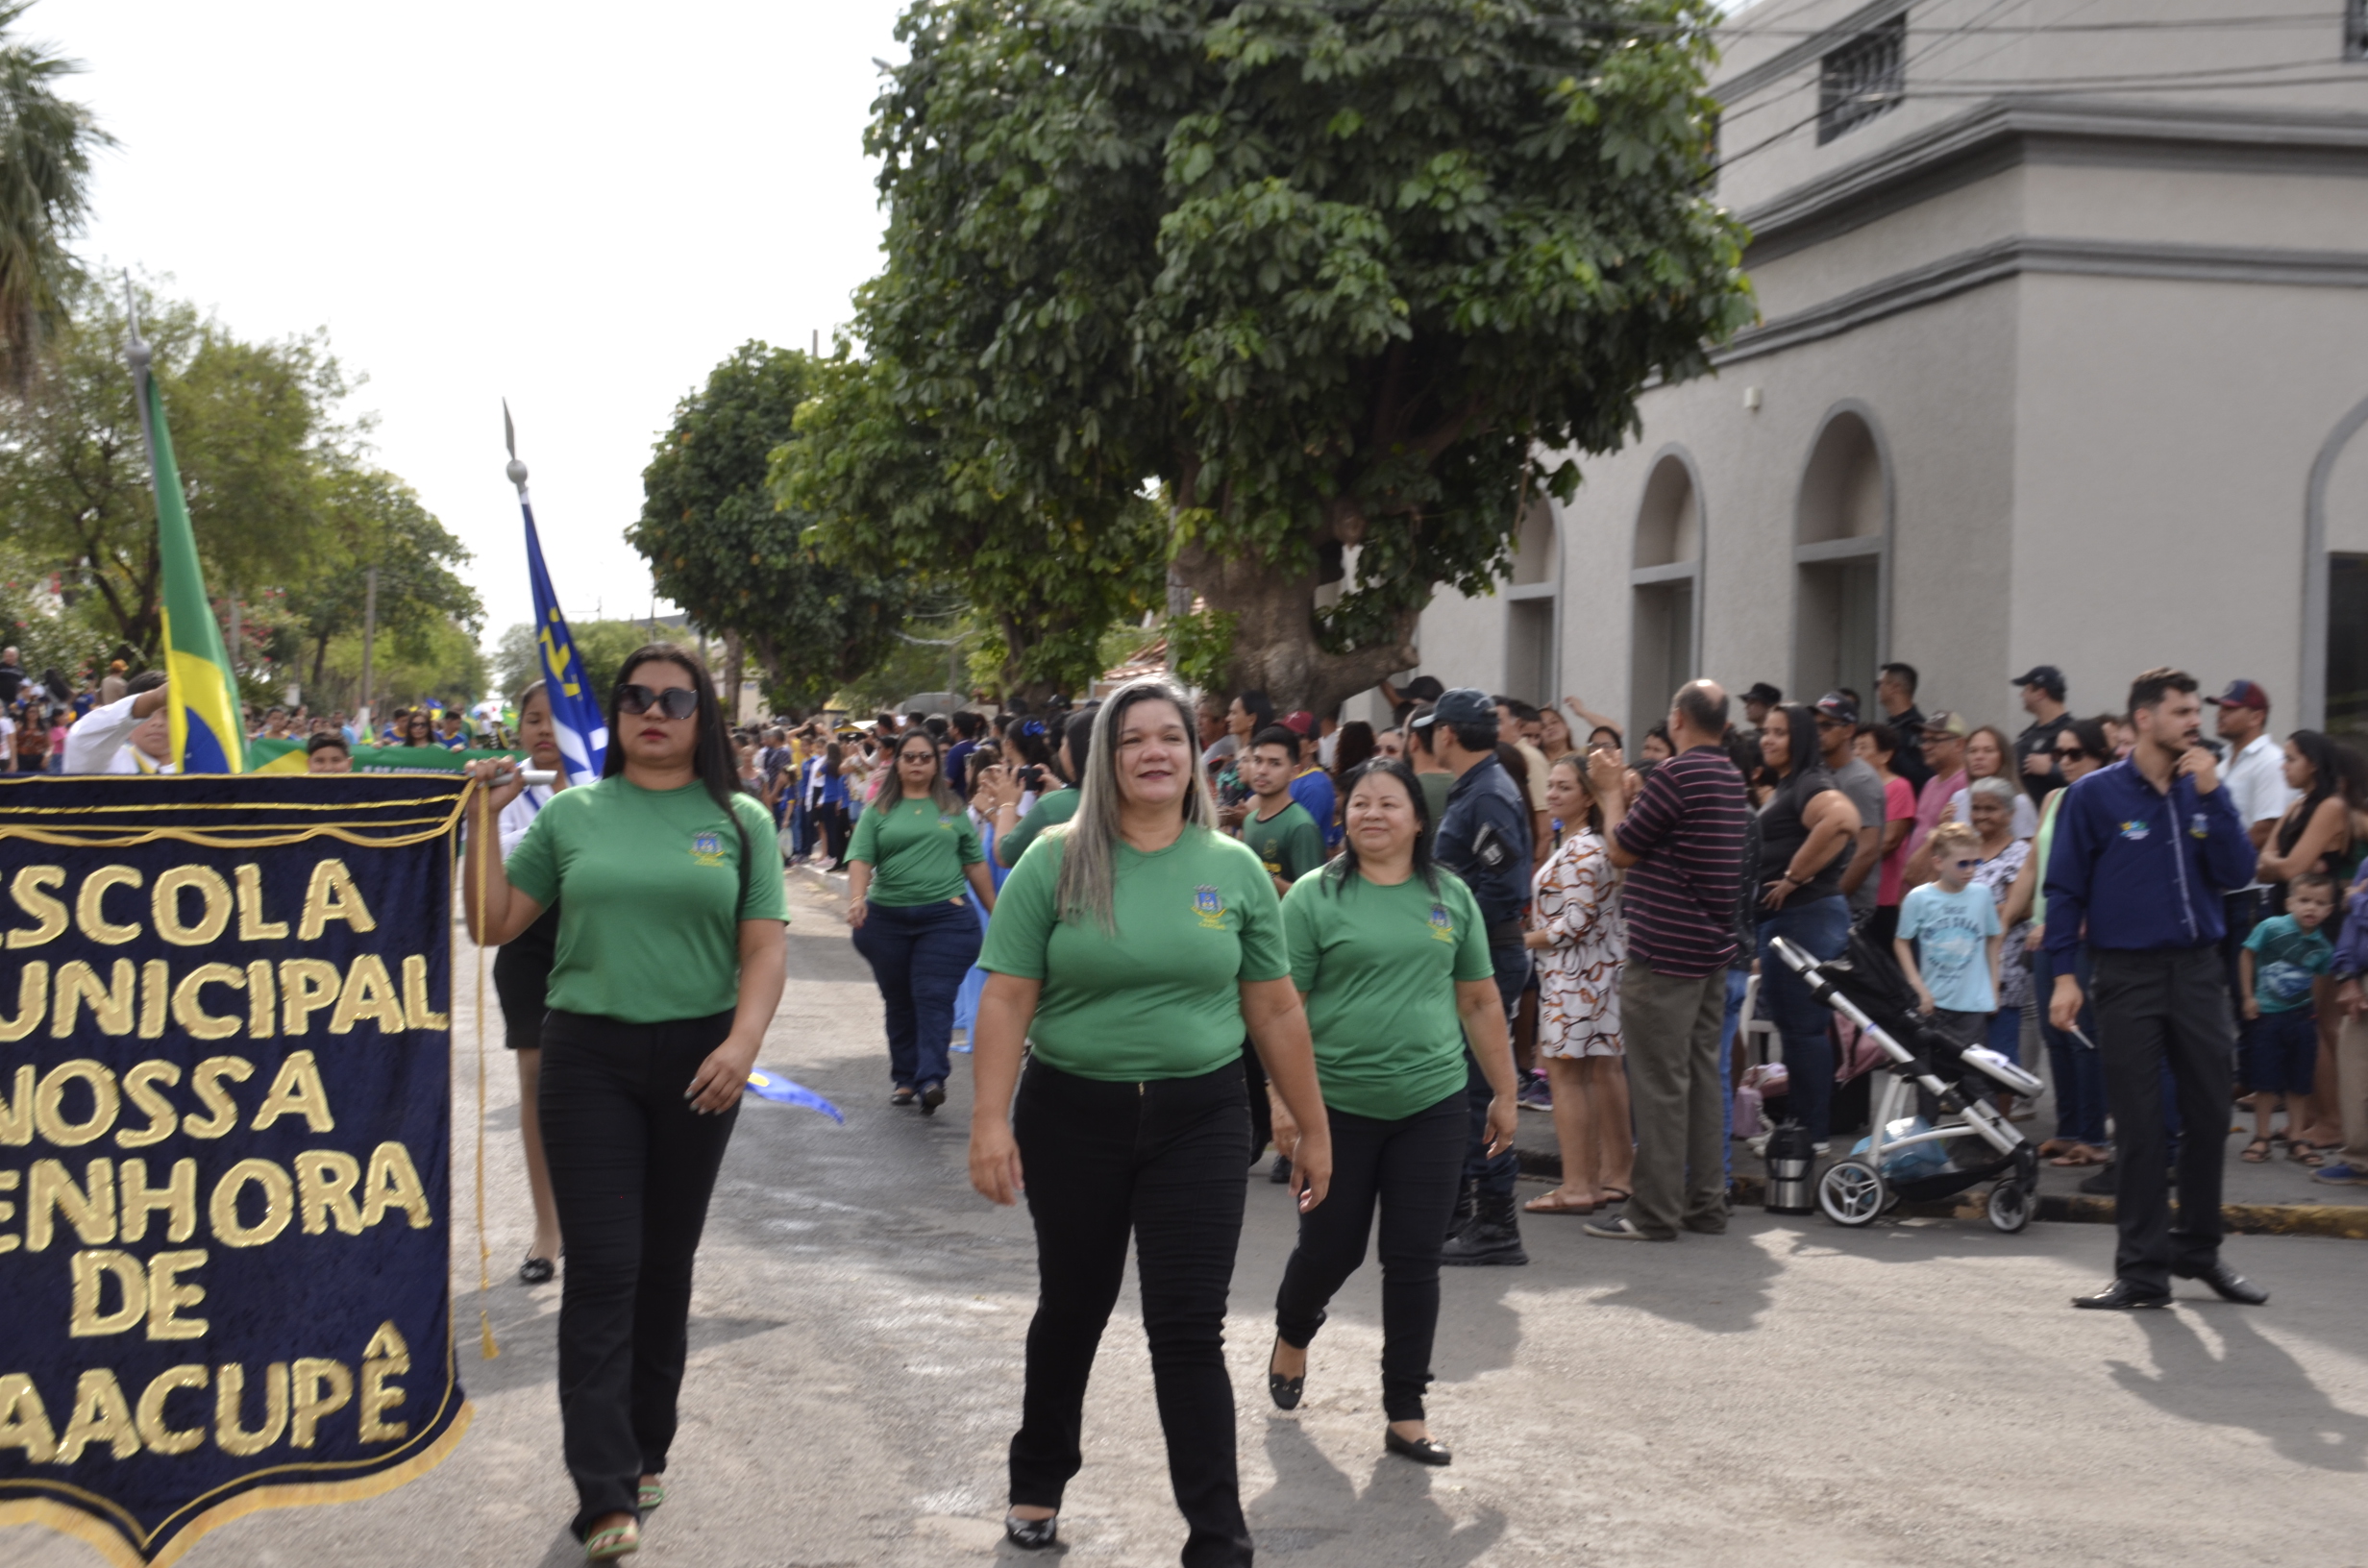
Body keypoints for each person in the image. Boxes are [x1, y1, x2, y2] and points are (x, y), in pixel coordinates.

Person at [969, 678, 1331, 1562]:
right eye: (1134, 740)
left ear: (1193, 754)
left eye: (1170, 736)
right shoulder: (1054, 860)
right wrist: (989, 1120)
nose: (1155, 753)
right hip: (1069, 1113)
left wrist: (1311, 1124)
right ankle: (1038, 1481)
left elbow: (1276, 1011)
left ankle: (1217, 1536)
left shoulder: (1233, 867)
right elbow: (1009, 997)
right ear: (1108, 757)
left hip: (1200, 1117)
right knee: (1074, 1307)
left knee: (1187, 1327)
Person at [461, 645, 790, 1556]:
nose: (655, 710)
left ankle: (649, 1451)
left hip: (702, 1062)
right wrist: (482, 826)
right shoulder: (572, 814)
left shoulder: (742, 820)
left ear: (702, 718)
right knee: (606, 1266)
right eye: (637, 698)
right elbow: (491, 924)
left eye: (675, 699)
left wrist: (742, 1044)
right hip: (588, 1059)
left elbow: (763, 949)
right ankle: (602, 1491)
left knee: (665, 1268)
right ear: (618, 714)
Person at [1267, 757, 1513, 1468]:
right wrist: (1282, 1102)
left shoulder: (1451, 897)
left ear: (1416, 818)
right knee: (1331, 1249)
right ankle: (1293, 1330)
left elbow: (1478, 999)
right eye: (1360, 803)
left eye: (1389, 803)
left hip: (1431, 1106)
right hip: (1333, 1109)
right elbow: (1283, 1009)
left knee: (1413, 1261)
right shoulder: (1314, 898)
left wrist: (1500, 1090)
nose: (1373, 814)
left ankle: (1405, 1410)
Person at [2045, 667, 2267, 1311]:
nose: (2194, 722)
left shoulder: (2204, 789)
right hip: (2126, 976)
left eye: (2196, 712)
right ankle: (2142, 1273)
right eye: (2182, 712)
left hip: (2199, 970)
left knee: (2208, 1116)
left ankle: (2199, 1253)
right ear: (2144, 718)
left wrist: (2215, 795)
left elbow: (2236, 872)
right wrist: (2064, 974)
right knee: (2141, 1129)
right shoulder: (2094, 797)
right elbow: (2064, 891)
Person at [1582, 680, 1747, 1241]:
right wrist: (1631, 795)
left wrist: (1609, 793)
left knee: (1659, 1085)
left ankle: (1653, 1211)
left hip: (1665, 951)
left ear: (1677, 719)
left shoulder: (1677, 775)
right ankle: (1704, 1203)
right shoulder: (1729, 775)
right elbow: (1664, 838)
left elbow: (1623, 848)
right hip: (1710, 947)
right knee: (1703, 1079)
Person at [1414, 689, 1534, 1265]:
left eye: (1435, 727)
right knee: (1464, 1092)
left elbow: (1505, 888)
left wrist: (1453, 939)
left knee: (1480, 1094)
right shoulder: (1477, 788)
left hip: (1485, 958)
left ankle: (1495, 1222)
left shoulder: (1487, 794)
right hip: (1477, 956)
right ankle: (1461, 1212)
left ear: (1449, 734)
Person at [847, 726, 997, 1114]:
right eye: (909, 756)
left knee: (933, 997)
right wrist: (857, 899)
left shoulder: (952, 811)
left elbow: (974, 863)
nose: (916, 763)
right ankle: (904, 1079)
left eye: (924, 757)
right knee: (899, 1000)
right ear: (897, 763)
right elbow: (861, 859)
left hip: (945, 920)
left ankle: (932, 1078)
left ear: (936, 764)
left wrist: (997, 909)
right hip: (886, 921)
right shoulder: (878, 810)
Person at [1745, 703, 1860, 1153]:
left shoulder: (1811, 780)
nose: (1767, 740)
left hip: (1804, 918)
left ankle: (1810, 1134)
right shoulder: (1791, 784)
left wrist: (1794, 876)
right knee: (1797, 1030)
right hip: (1792, 919)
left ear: (1802, 739)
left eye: (1779, 732)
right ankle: (1802, 1126)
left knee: (1803, 1029)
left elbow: (1843, 821)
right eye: (1765, 732)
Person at [1523, 752, 1633, 1214]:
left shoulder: (1581, 848)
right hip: (1596, 974)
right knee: (1599, 1073)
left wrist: (1518, 941)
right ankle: (1610, 1177)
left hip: (1576, 977)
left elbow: (1575, 924)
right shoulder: (1583, 845)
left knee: (1569, 1080)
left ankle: (1578, 1185)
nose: (1551, 794)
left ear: (1588, 797)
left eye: (1564, 787)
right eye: (1551, 785)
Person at [2003, 717, 2113, 1166]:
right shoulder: (2054, 798)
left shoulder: (2106, 797)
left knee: (2081, 1033)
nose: (2065, 762)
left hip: (2082, 933)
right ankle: (2068, 1130)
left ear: (2098, 757)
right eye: (2061, 753)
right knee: (2054, 1032)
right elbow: (2033, 863)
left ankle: (2094, 1136)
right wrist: (2006, 915)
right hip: (2047, 930)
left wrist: (2082, 919)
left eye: (2076, 754)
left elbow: (2108, 867)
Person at [2209, 680, 2295, 1034]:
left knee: (2250, 998)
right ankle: (2238, 1080)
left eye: (2230, 708)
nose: (2221, 714)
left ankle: (2254, 1084)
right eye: (2221, 707)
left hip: (2250, 896)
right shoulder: (2220, 766)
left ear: (2256, 715)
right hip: (2222, 895)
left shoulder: (2270, 760)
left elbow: (2267, 827)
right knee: (2225, 999)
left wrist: (2220, 863)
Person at [2238, 872, 2336, 1163]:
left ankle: (2296, 1137)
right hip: (2268, 1016)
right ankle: (2261, 1136)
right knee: (2265, 1081)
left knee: (2299, 1080)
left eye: (2320, 903)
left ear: (2329, 910)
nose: (2311, 908)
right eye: (2305, 900)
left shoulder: (2322, 947)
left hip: (2301, 1017)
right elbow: (2246, 955)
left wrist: (2313, 1012)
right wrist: (2248, 996)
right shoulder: (2271, 928)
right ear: (2289, 902)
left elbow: (2320, 980)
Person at [1896, 820, 2002, 1045]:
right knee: (1933, 1074)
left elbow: (1993, 939)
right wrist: (1916, 985)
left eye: (1976, 862)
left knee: (1975, 1076)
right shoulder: (1918, 898)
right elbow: (1901, 942)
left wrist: (1993, 985)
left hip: (1973, 1002)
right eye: (1963, 864)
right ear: (1938, 862)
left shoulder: (1982, 895)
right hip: (1934, 1000)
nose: (1971, 870)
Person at [1813, 694, 1885, 926]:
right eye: (1815, 725)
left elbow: (1867, 851)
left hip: (1850, 906)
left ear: (1848, 730)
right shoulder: (1820, 772)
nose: (1818, 731)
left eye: (1827, 725)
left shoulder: (1859, 780)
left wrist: (1833, 902)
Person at [993, 705, 1095, 867]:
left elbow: (1005, 854)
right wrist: (1061, 790)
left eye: (1063, 744)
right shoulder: (1124, 798)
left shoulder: (1053, 805)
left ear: (1075, 751)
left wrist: (1006, 804)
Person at [1853, 722, 1918, 945]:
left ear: (1885, 755)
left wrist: (1853, 862)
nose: (1856, 753)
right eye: (1855, 747)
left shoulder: (1899, 787)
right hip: (1855, 889)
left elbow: (1890, 840)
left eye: (1864, 747)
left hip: (1884, 891)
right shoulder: (1854, 786)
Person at [1942, 725, 2039, 845]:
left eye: (1988, 750)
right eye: (1973, 751)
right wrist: (1943, 827)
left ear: (2003, 757)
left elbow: (2028, 853)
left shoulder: (2019, 802)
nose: (1979, 757)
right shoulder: (1959, 798)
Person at [62, 672, 172, 773]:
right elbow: (81, 738)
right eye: (148, 714)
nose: (158, 722)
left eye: (169, 714)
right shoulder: (106, 763)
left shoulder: (188, 769)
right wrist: (156, 698)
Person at [1904, 710, 1970, 866]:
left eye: (1934, 740)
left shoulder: (1965, 784)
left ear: (1959, 744)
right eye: (1923, 740)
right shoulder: (1930, 783)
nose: (1925, 747)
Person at [2011, 665, 2073, 801]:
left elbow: (2087, 775)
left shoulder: (2073, 733)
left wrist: (2052, 769)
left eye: (2026, 689)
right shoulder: (2028, 734)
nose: (2021, 695)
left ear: (2040, 693)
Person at [1875, 662, 1933, 794]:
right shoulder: (1889, 726)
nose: (1877, 689)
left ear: (1894, 688)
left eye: (1879, 684)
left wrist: (1893, 749)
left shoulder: (1920, 729)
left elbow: (1926, 778)